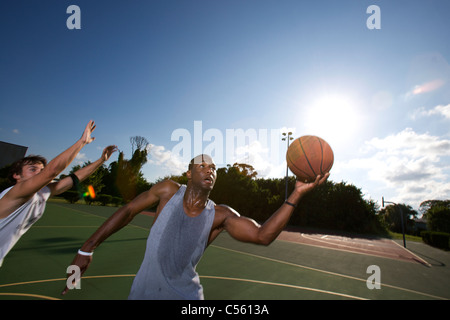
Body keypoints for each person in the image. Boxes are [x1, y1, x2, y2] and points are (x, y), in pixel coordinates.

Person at [62, 154, 329, 299]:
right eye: (203, 165)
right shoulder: (168, 191)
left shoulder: (220, 215)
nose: (210, 169)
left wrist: (296, 195)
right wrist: (87, 249)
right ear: (189, 173)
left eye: (214, 168)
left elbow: (262, 236)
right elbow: (129, 210)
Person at [0, 120, 117, 267]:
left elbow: (74, 179)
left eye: (41, 170)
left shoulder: (41, 193)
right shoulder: (15, 193)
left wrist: (101, 161)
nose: (39, 173)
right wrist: (82, 142)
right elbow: (52, 171)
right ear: (16, 175)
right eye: (32, 169)